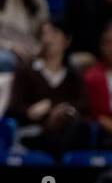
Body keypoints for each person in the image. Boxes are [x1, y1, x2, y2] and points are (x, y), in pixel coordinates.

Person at [9, 19, 91, 157]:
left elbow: (84, 106)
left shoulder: (74, 76)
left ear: (67, 40)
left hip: (67, 130)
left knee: (80, 130)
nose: (47, 39)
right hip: (36, 131)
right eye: (44, 34)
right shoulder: (26, 72)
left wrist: (62, 110)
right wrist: (29, 111)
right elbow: (14, 107)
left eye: (53, 33)